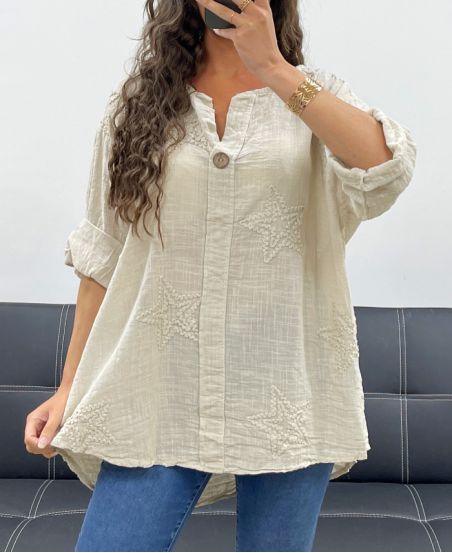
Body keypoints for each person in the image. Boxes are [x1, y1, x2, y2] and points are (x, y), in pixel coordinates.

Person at [23, 0, 417, 551]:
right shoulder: (137, 107)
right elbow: (103, 255)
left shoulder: (314, 96)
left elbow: (384, 169)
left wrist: (274, 68)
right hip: (158, 391)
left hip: (287, 392)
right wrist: (69, 387)